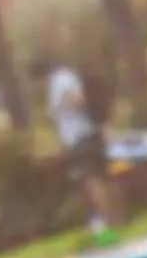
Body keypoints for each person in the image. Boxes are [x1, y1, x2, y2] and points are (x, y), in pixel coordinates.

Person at [45, 62, 117, 235]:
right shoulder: (63, 77)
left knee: (93, 180)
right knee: (98, 179)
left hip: (81, 137)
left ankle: (107, 225)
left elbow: (76, 99)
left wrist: (62, 106)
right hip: (83, 137)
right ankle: (111, 223)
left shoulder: (61, 76)